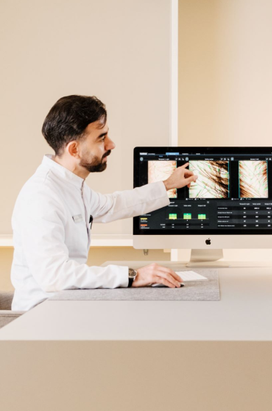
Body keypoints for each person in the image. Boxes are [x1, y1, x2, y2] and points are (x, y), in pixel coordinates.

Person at [11, 95, 197, 312]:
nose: (111, 144)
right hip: (39, 319)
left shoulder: (71, 185)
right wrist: (132, 275)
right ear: (74, 150)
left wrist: (166, 184)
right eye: (101, 137)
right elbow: (54, 276)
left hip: (65, 307)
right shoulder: (42, 196)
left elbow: (112, 205)